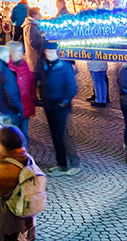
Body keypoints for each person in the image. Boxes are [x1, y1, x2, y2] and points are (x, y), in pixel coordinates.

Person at [38, 42, 80, 175]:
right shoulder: (44, 64)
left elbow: (72, 88)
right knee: (55, 136)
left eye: (50, 52)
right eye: (46, 52)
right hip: (49, 106)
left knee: (64, 135)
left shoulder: (65, 67)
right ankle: (61, 163)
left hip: (61, 107)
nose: (48, 54)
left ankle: (74, 163)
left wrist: (63, 102)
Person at [7, 41, 35, 142]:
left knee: (24, 134)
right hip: (14, 109)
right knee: (14, 136)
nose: (22, 53)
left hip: (26, 105)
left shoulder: (24, 64)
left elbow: (30, 82)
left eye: (21, 51)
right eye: (18, 51)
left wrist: (33, 97)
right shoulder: (8, 68)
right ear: (11, 53)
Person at [22, 8, 46, 76]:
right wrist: (44, 43)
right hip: (35, 60)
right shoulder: (31, 27)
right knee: (36, 82)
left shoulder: (33, 25)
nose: (41, 15)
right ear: (34, 15)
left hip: (35, 60)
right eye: (39, 14)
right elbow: (33, 43)